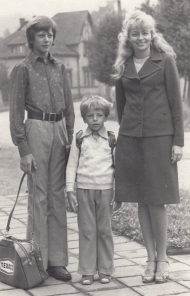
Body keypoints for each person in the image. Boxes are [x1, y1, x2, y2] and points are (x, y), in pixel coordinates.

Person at [112, 11, 184, 284]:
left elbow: (176, 104)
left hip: (160, 137)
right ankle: (150, 258)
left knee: (157, 199)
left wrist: (178, 141)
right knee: (141, 199)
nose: (140, 37)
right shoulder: (123, 65)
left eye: (145, 32)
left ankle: (163, 258)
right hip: (131, 138)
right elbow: (121, 106)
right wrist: (127, 132)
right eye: (135, 33)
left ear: (152, 34)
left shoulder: (165, 61)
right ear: (128, 38)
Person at [10, 16, 75, 281]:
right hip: (35, 128)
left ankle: (57, 261)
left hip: (59, 129)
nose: (47, 39)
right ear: (31, 39)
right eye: (41, 35)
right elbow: (16, 114)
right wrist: (23, 149)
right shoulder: (22, 69)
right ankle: (36, 260)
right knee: (38, 196)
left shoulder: (60, 67)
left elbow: (69, 106)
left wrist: (70, 138)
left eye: (50, 35)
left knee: (57, 195)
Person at [66, 95, 115, 285]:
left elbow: (117, 168)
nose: (95, 119)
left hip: (106, 190)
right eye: (90, 116)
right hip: (84, 190)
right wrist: (70, 190)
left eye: (99, 115)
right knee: (87, 230)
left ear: (105, 117)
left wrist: (118, 192)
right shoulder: (79, 139)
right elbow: (71, 165)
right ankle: (87, 271)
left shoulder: (111, 139)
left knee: (104, 230)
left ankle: (105, 270)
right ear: (84, 118)